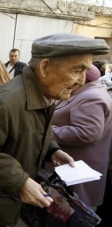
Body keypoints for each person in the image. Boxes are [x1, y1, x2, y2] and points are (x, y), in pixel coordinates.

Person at [0, 33, 109, 227]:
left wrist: (52, 149)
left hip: (6, 190)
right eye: (77, 70)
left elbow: (33, 130)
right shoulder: (7, 103)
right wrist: (21, 181)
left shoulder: (45, 92)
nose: (82, 81)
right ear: (45, 67)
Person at [49, 65, 112, 209]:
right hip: (73, 167)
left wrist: (47, 131)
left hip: (78, 170)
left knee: (74, 214)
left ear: (79, 80)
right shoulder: (84, 92)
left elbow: (87, 132)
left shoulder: (90, 97)